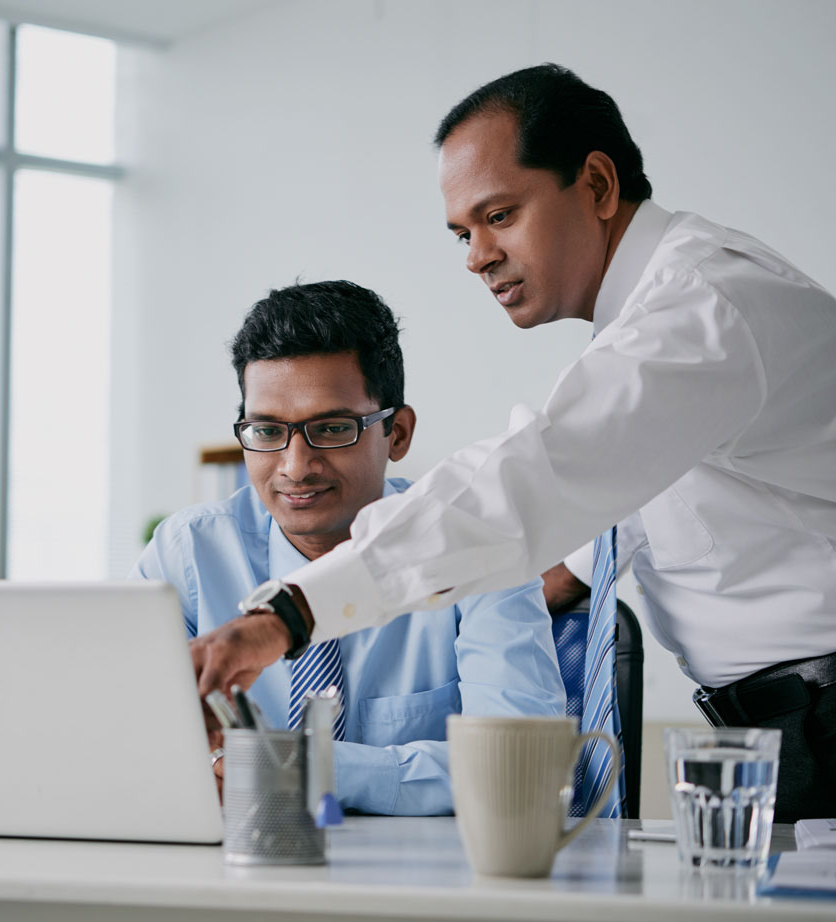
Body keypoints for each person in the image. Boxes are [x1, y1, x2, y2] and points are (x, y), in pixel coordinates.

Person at [190, 65, 836, 823]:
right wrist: (538, 578)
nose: (476, 256)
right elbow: (635, 489)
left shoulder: (701, 308)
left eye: (500, 215)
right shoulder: (652, 332)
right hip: (789, 736)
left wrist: (289, 615)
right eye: (463, 232)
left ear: (596, 185)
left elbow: (534, 474)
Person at [134, 279, 565, 816]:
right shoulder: (188, 553)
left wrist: (296, 764)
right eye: (267, 432)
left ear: (398, 434)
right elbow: (132, 741)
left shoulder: (480, 548)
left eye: (332, 428)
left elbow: (521, 766)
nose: (295, 467)